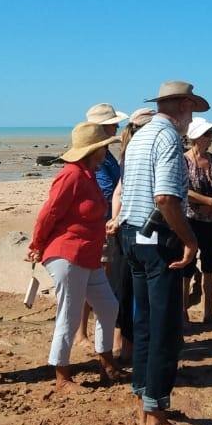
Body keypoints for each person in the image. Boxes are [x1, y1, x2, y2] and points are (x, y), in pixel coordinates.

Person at [119, 81, 204, 425]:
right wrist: (190, 240)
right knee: (166, 328)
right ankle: (155, 413)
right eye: (192, 110)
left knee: (144, 323)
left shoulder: (139, 135)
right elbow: (166, 198)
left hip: (131, 234)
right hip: (157, 240)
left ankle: (143, 396)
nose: (192, 118)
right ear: (183, 106)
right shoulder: (168, 137)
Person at [26, 121, 123, 392]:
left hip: (88, 255)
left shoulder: (89, 174)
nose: (106, 152)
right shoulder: (71, 174)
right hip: (67, 254)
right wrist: (36, 244)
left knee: (108, 307)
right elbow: (50, 212)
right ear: (94, 151)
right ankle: (62, 376)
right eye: (103, 147)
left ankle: (105, 360)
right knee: (68, 315)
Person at [76, 102, 130, 350]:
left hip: (106, 221)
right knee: (94, 277)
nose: (116, 128)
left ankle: (91, 331)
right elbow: (102, 190)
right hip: (101, 223)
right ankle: (81, 333)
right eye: (112, 125)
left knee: (100, 278)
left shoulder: (106, 155)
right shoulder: (95, 156)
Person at [108, 107, 153, 362]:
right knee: (132, 289)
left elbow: (118, 192)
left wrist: (116, 219)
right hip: (136, 228)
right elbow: (120, 193)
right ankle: (127, 345)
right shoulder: (138, 154)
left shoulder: (127, 153)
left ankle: (124, 344)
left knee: (125, 287)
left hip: (124, 227)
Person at [183, 117, 212, 324]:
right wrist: (208, 201)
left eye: (210, 133)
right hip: (190, 220)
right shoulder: (183, 160)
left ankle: (209, 311)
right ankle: (183, 311)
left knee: (210, 267)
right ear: (197, 137)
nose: (210, 138)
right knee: (186, 267)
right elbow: (182, 190)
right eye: (207, 134)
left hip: (211, 220)